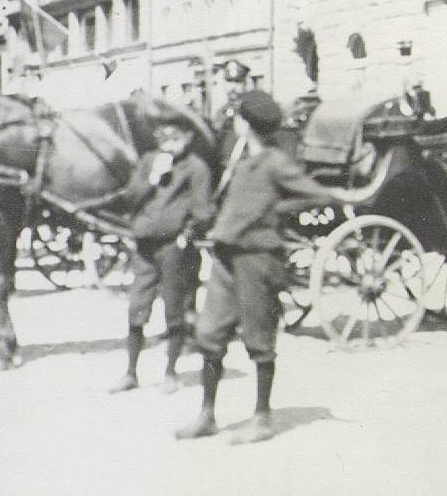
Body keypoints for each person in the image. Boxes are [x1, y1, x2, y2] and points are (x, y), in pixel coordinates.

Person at [177, 88, 326, 445]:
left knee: (259, 339)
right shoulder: (241, 161)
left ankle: (262, 417)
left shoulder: (275, 162)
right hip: (227, 258)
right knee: (209, 336)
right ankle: (207, 416)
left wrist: (275, 211)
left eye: (237, 118)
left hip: (257, 260)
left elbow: (317, 193)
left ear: (246, 123)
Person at [103, 113, 213, 394]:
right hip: (144, 244)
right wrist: (152, 178)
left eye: (176, 138)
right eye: (164, 138)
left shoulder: (196, 168)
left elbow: (202, 212)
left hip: (173, 247)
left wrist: (185, 237)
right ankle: (130, 372)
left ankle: (171, 372)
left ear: (188, 138)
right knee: (137, 307)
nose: (169, 144)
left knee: (174, 309)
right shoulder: (150, 161)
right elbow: (130, 198)